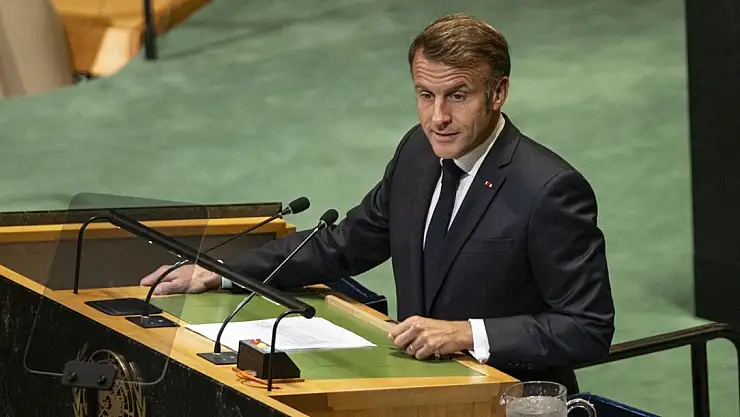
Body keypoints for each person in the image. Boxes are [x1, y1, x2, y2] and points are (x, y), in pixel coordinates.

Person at [141, 13, 615, 393]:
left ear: (499, 93)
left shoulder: (548, 190)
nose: (438, 118)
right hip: (412, 388)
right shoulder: (417, 153)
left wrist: (467, 333)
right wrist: (224, 271)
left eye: (458, 96)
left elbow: (587, 328)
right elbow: (347, 243)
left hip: (505, 397)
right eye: (425, 95)